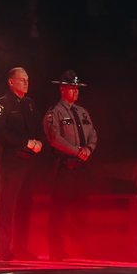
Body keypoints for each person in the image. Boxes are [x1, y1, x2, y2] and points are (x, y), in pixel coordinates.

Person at [42, 70, 98, 261]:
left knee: (81, 210)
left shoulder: (82, 112)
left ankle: (81, 247)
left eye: (77, 89)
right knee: (58, 211)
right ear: (62, 89)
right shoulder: (54, 113)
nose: (75, 92)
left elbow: (93, 134)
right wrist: (76, 151)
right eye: (72, 88)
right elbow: (54, 138)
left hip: (82, 169)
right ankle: (56, 250)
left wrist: (88, 149)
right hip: (65, 167)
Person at [0, 66, 44, 261]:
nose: (26, 83)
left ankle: (22, 246)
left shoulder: (29, 104)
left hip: (29, 162)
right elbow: (1, 132)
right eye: (22, 79)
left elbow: (38, 128)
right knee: (8, 205)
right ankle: (3, 248)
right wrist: (24, 143)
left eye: (27, 79)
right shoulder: (3, 104)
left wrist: (39, 142)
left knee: (25, 205)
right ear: (11, 82)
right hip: (12, 162)